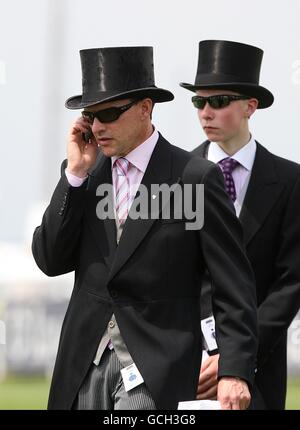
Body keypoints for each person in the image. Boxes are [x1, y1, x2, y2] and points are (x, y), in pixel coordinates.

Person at [32, 46, 257, 410]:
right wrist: (74, 176)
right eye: (91, 115)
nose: (99, 126)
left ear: (145, 108)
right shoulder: (85, 175)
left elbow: (233, 284)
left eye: (109, 113)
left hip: (155, 371)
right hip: (81, 369)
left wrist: (235, 368)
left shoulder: (196, 179)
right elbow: (49, 259)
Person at [180, 39, 300, 409]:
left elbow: (290, 284)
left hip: (258, 370)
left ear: (251, 106)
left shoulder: (291, 181)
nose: (206, 112)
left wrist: (236, 358)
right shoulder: (175, 176)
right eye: (199, 101)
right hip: (187, 365)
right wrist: (208, 354)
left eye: (218, 102)